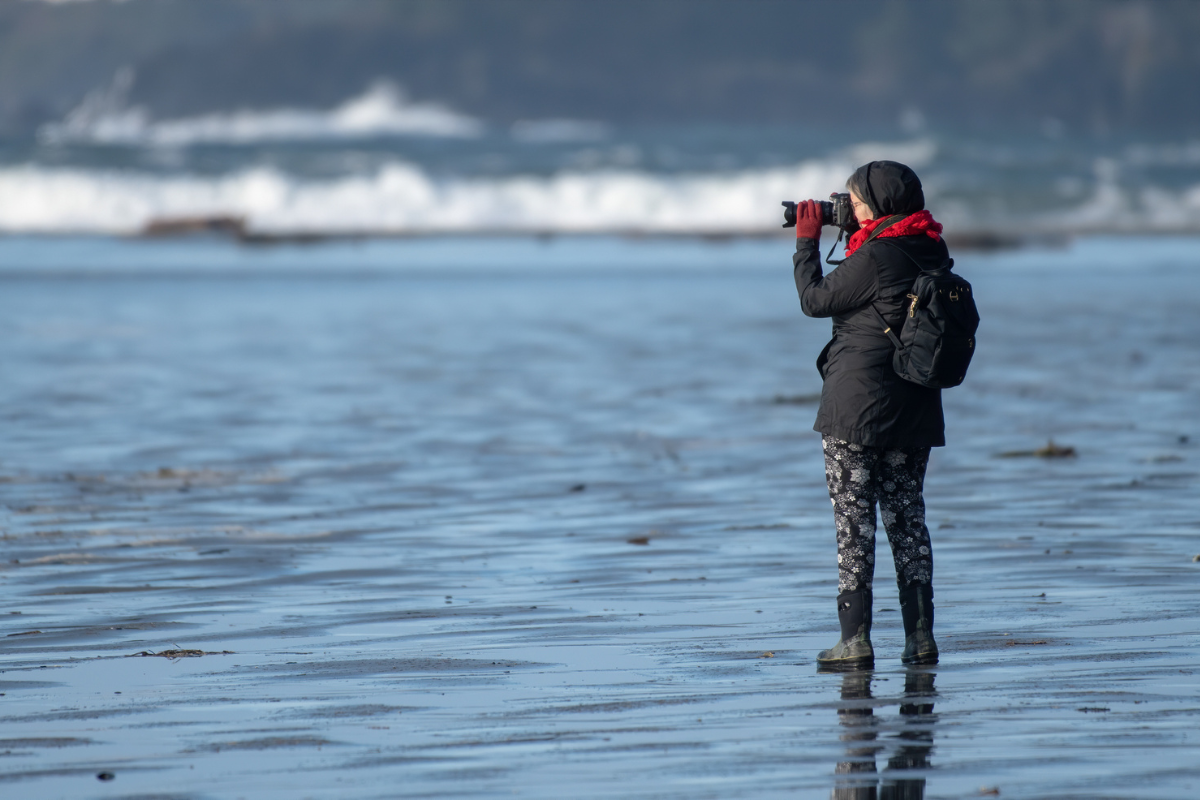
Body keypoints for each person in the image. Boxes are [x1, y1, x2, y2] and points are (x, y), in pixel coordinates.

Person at [791, 160, 945, 669]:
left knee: (854, 523)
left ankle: (854, 640)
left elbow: (815, 300)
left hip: (856, 408)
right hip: (914, 404)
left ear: (880, 206)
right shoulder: (930, 247)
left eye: (857, 203)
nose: (852, 211)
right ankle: (920, 637)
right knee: (908, 519)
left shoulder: (876, 256)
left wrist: (807, 242)